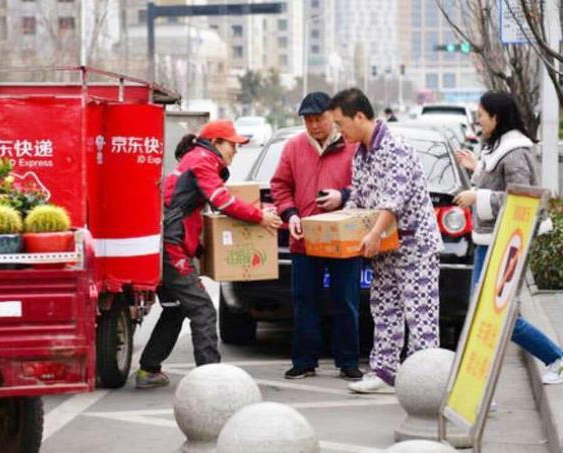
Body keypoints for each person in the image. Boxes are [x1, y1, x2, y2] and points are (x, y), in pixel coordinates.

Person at [135, 120, 282, 389]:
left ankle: (148, 369)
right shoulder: (203, 160)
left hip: (170, 244)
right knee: (203, 311)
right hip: (171, 247)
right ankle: (211, 382)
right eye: (232, 145)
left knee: (177, 309)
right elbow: (222, 200)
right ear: (215, 143)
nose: (235, 152)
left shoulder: (198, 158)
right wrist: (259, 216)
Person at [329, 88, 442, 394]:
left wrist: (374, 233)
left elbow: (394, 202)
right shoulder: (361, 154)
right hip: (384, 246)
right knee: (384, 308)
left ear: (360, 116)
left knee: (420, 313)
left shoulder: (395, 148)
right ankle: (385, 372)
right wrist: (340, 226)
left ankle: (425, 380)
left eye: (341, 123)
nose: (339, 130)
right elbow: (360, 200)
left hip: (414, 246)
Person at [454, 90, 563, 385]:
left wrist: (478, 195)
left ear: (496, 117)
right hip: (490, 241)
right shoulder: (499, 145)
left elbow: (523, 198)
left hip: (504, 243)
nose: (478, 121)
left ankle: (556, 357)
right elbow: (500, 181)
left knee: (496, 314)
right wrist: (476, 168)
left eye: (481, 116)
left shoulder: (514, 150)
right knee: (485, 312)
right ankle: (478, 382)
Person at [271, 92, 363, 380]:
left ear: (333, 118)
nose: (314, 126)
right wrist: (290, 214)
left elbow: (366, 185)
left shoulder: (353, 146)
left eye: (319, 119)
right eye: (308, 120)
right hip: (304, 238)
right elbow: (280, 186)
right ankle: (304, 360)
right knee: (304, 301)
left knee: (345, 300)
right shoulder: (294, 147)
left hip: (344, 239)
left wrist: (343, 196)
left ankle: (347, 361)